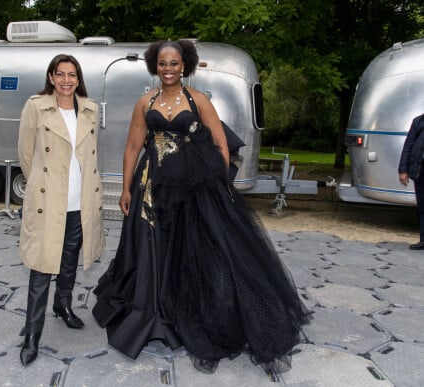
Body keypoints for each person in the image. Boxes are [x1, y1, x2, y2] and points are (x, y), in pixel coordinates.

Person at [92, 40, 311, 374]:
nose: (168, 69)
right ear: (155, 66)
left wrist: (219, 183)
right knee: (150, 246)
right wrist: (125, 188)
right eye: (163, 63)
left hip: (191, 187)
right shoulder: (145, 101)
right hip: (150, 185)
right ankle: (151, 313)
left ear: (185, 66)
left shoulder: (199, 100)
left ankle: (186, 313)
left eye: (174, 63)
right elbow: (133, 146)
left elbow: (221, 144)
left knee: (192, 249)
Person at [17, 54, 105, 366]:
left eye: (72, 75)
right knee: (41, 268)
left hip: (80, 202)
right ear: (52, 77)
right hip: (48, 201)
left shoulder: (90, 109)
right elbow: (26, 156)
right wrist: (44, 185)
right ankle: (32, 334)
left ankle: (63, 306)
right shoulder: (36, 107)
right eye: (61, 74)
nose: (67, 80)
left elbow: (91, 157)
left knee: (69, 261)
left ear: (78, 79)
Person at [399, 113, 424, 249]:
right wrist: (403, 170)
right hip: (420, 170)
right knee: (422, 206)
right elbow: (408, 146)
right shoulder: (418, 121)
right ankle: (423, 240)